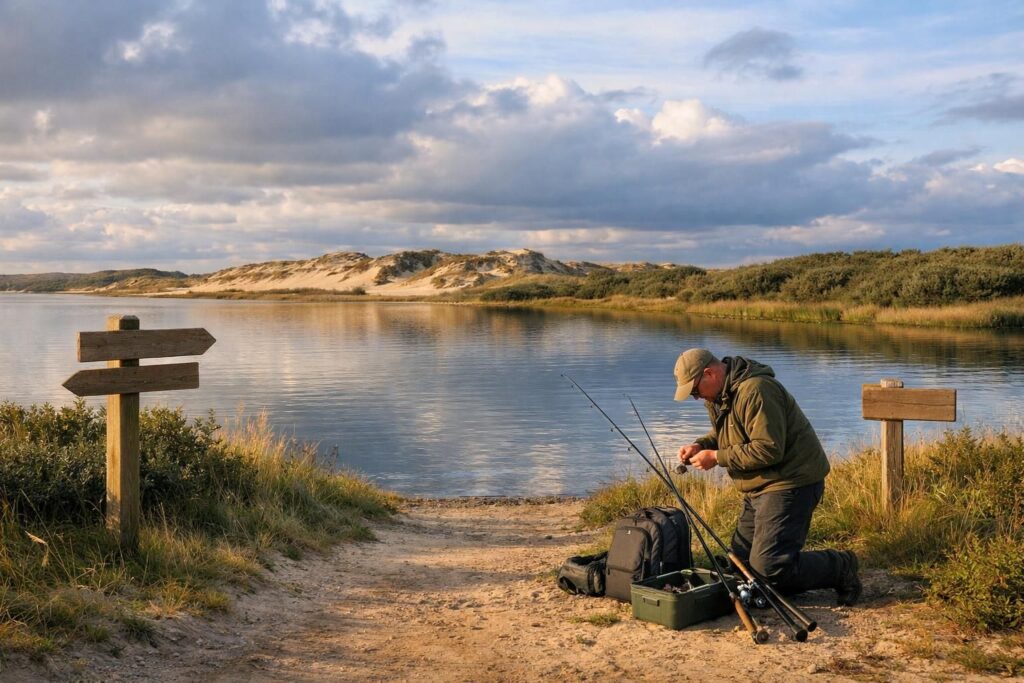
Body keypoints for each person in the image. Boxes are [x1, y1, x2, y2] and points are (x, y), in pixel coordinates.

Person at [673, 348, 862, 605]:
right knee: (740, 567)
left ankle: (842, 566)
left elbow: (768, 449)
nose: (696, 398)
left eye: (695, 390)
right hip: (759, 486)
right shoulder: (720, 394)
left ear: (710, 373)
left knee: (769, 571)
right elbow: (728, 433)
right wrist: (700, 444)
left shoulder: (757, 390)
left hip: (791, 482)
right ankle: (780, 572)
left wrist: (717, 458)